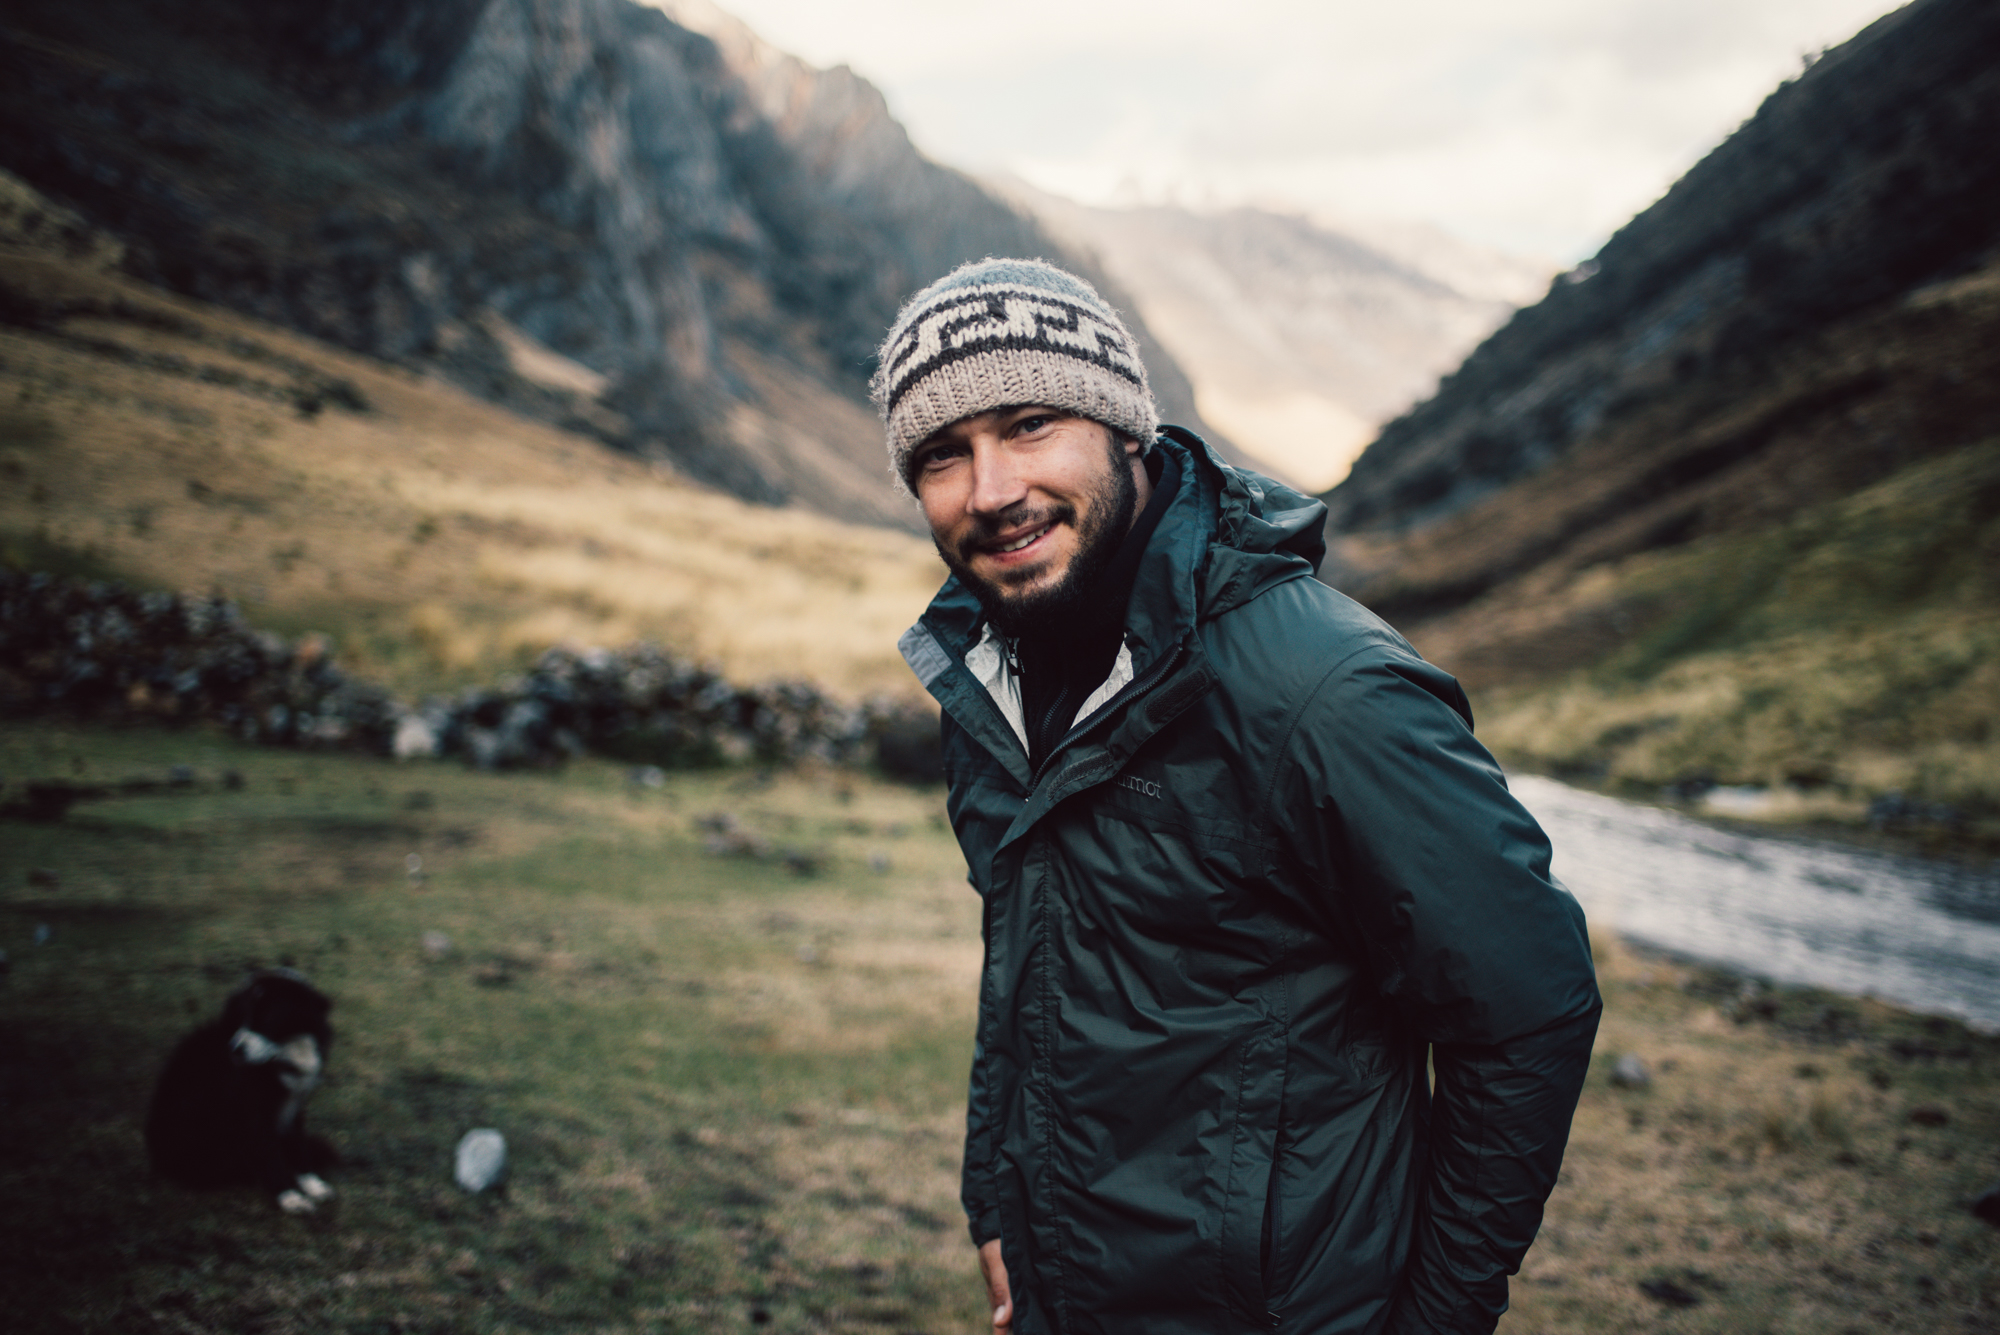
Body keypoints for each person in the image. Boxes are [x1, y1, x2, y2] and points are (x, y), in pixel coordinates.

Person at [875, 258, 1601, 1335]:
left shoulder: (1325, 692)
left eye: (1029, 426)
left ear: (1126, 430)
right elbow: (1021, 969)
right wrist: (997, 1205)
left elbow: (1526, 1011)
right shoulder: (992, 680)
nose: (989, 491)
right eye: (942, 454)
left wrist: (1439, 1319)